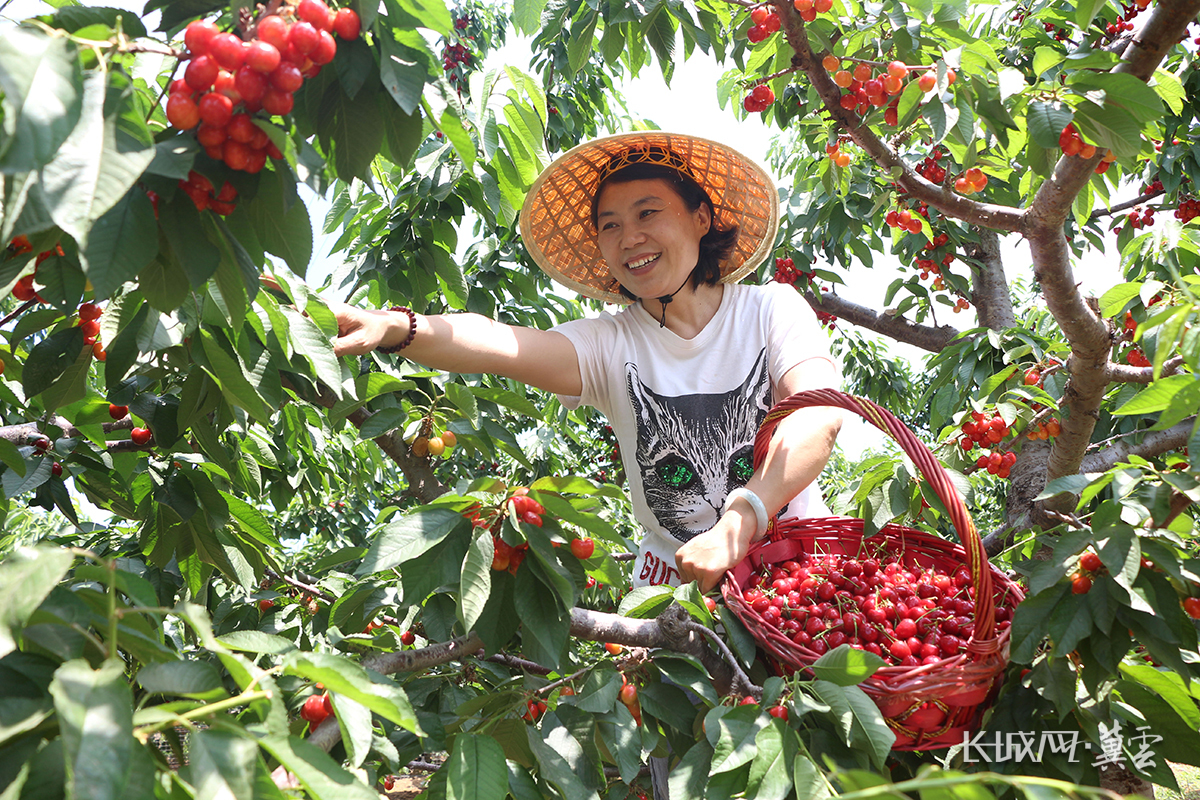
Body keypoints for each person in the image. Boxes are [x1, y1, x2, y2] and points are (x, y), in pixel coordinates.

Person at [331, 131, 842, 594]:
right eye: (610, 224)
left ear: (701, 217)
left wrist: (739, 522)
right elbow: (496, 341)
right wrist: (398, 327)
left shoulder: (769, 309)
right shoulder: (609, 346)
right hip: (675, 599)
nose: (629, 237)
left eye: (648, 213)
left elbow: (818, 414)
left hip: (803, 573)